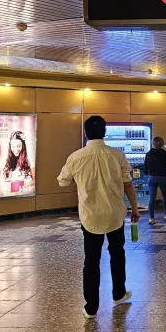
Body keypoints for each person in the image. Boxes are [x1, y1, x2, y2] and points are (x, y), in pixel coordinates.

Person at [58, 115, 140, 320]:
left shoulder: (76, 157)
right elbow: (128, 184)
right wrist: (135, 209)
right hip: (115, 214)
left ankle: (91, 307)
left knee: (91, 260)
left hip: (90, 216)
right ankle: (118, 293)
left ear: (86, 133)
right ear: (105, 132)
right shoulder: (116, 155)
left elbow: (63, 181)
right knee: (117, 253)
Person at [143, 136, 166, 225]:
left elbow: (145, 166)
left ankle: (151, 218)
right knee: (164, 196)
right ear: (162, 143)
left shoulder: (148, 154)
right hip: (162, 177)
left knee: (152, 198)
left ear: (153, 143)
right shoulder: (165, 153)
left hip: (151, 178)